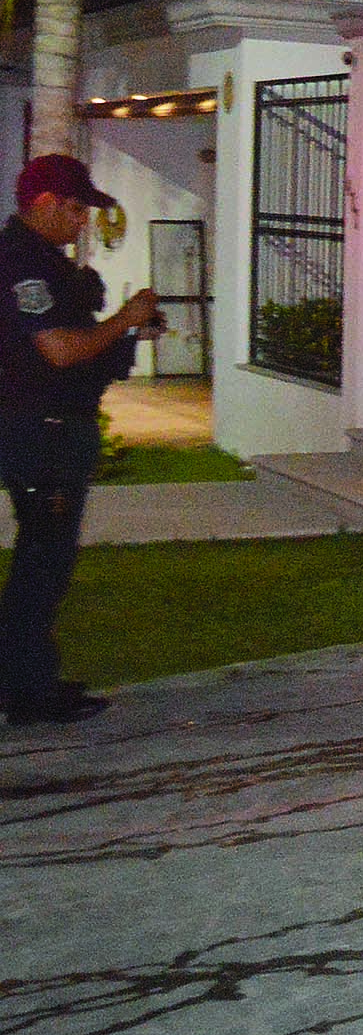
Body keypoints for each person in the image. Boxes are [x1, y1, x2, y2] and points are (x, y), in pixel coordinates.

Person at [2, 155, 157, 726]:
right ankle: (27, 692)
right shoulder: (23, 264)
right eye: (73, 209)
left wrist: (125, 332)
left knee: (47, 557)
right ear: (43, 202)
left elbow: (78, 350)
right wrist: (125, 317)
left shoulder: (45, 262)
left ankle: (31, 680)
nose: (80, 221)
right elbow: (59, 350)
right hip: (40, 431)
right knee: (43, 560)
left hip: (54, 425)